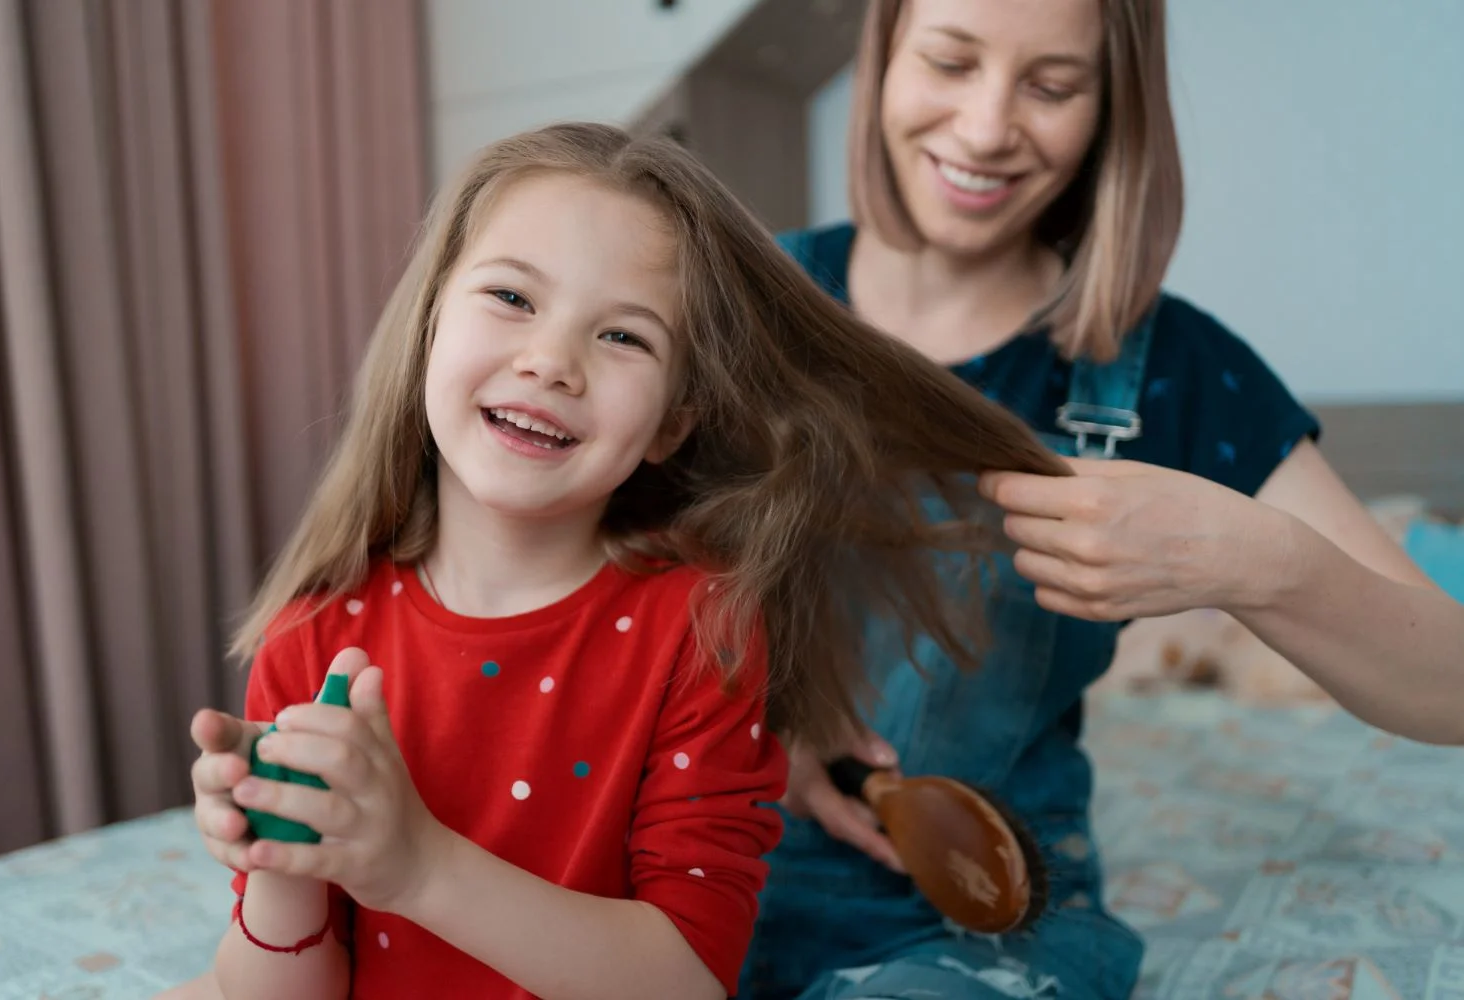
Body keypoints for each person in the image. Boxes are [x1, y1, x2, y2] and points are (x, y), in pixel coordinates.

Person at [170, 122, 1065, 1000]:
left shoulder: (699, 631)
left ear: (674, 422)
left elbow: (686, 980)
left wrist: (416, 868)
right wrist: (283, 855)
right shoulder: (313, 638)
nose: (552, 362)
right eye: (512, 298)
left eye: (624, 337)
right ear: (428, 326)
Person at [737, 1, 1464, 998]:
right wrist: (762, 721)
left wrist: (1254, 557)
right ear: (884, 56)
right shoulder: (733, 306)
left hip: (983, 928)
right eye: (951, 61)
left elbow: (1451, 689)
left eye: (1052, 85)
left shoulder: (1171, 368)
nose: (990, 127)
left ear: (1111, 107)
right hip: (691, 869)